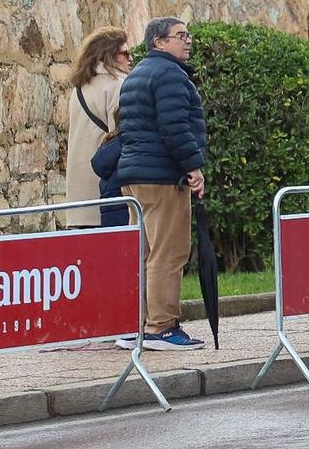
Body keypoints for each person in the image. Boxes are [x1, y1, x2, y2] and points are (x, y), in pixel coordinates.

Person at [114, 17, 206, 351]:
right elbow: (175, 127)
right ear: (158, 42)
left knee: (145, 253)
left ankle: (137, 325)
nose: (188, 41)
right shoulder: (169, 75)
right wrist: (194, 167)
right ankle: (162, 328)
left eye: (187, 35)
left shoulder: (136, 74)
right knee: (169, 253)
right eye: (180, 36)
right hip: (163, 177)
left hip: (134, 176)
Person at [63, 27, 131, 229]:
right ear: (108, 54)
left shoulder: (80, 87)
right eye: (125, 53)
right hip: (106, 196)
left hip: (79, 199)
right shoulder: (118, 85)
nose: (130, 58)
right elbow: (121, 141)